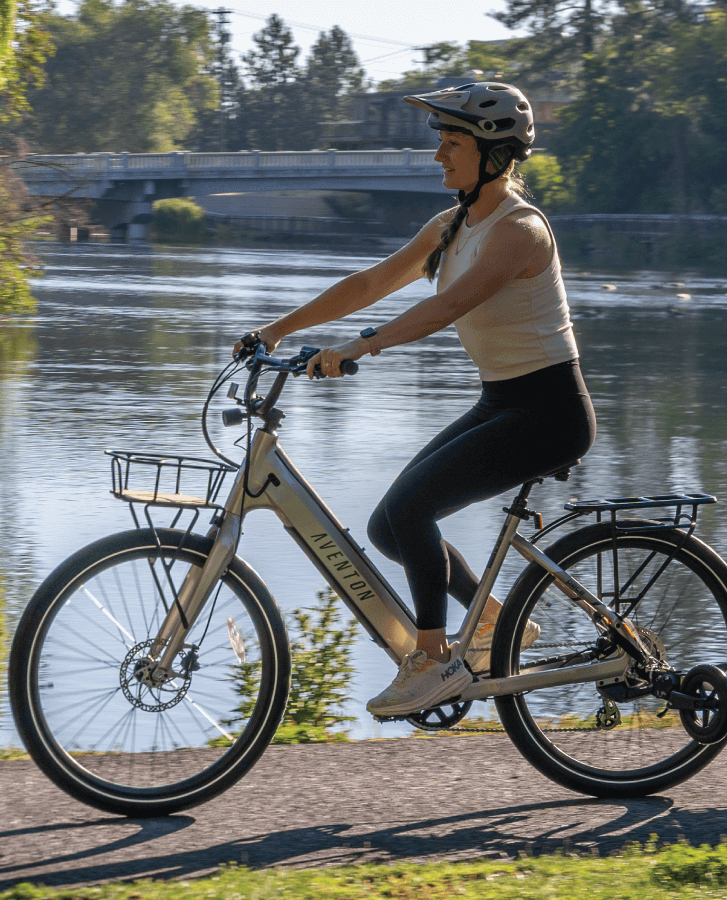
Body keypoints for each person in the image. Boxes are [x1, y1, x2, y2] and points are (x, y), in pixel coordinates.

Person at [235, 83, 595, 717]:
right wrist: (277, 329)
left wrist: (356, 349)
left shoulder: (520, 231)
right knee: (388, 526)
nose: (438, 156)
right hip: (502, 400)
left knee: (411, 510)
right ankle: (489, 622)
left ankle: (430, 662)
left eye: (452, 143)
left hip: (549, 413)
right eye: (442, 142)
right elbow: (373, 282)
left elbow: (447, 307)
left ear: (494, 154)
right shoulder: (453, 225)